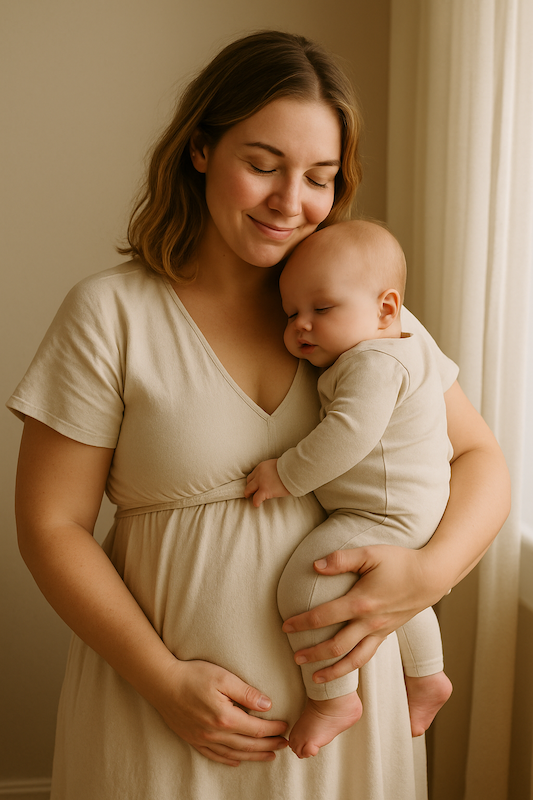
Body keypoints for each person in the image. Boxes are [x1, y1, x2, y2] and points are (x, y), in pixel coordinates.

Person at [7, 30, 510, 800]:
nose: (290, 201)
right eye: (262, 164)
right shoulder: (111, 313)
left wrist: (423, 577)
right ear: (201, 149)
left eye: (319, 176)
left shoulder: (370, 319)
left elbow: (480, 460)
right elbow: (51, 525)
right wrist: (163, 680)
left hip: (349, 708)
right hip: (163, 709)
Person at [245, 219, 453, 758]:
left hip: (382, 510)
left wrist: (285, 473)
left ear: (387, 309)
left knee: (306, 587)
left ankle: (334, 698)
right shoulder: (397, 348)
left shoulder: (373, 361)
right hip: (408, 508)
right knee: (392, 592)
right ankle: (428, 676)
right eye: (291, 313)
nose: (301, 327)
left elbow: (348, 435)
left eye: (322, 309)